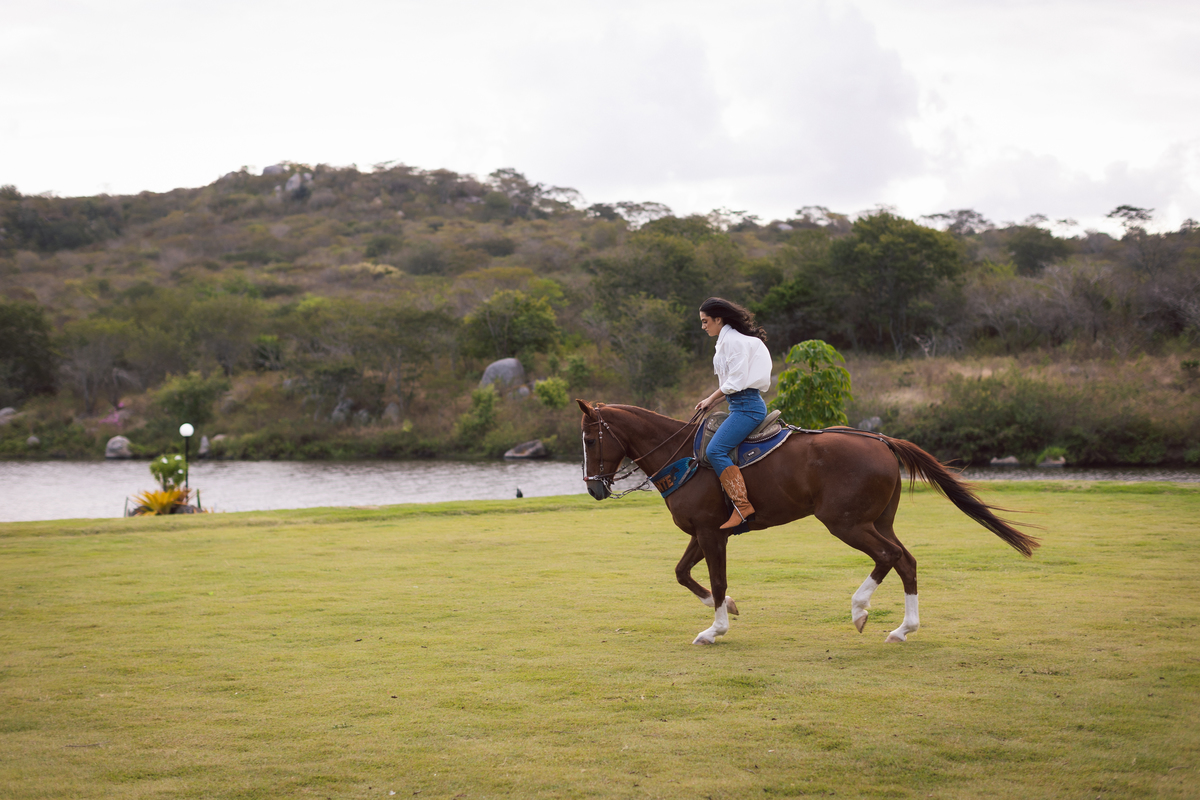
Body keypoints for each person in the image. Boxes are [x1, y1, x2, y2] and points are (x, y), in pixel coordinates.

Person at [695, 297, 772, 529]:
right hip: (738, 405)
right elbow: (731, 383)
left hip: (747, 408)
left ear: (719, 319)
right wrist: (713, 401)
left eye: (705, 321)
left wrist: (711, 397)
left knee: (715, 450)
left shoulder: (734, 342)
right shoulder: (727, 341)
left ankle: (742, 505)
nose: (703, 326)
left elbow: (736, 381)